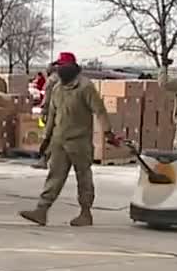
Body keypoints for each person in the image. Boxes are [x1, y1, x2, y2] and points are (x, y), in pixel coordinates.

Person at [18, 53, 113, 227]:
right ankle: (41, 210)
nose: (59, 70)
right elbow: (53, 116)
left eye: (62, 66)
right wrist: (46, 139)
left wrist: (108, 132)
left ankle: (85, 213)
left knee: (83, 177)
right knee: (54, 176)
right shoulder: (57, 88)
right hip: (59, 140)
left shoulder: (85, 87)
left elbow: (99, 110)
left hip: (79, 142)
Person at [32, 60, 63, 170]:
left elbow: (47, 98)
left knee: (49, 136)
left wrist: (43, 111)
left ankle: (44, 159)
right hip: (63, 111)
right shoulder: (65, 79)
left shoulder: (51, 80)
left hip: (52, 112)